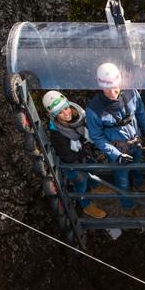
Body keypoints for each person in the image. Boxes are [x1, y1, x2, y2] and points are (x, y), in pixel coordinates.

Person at [85, 62, 145, 211]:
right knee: (122, 179)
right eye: (107, 88)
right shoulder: (94, 109)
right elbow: (97, 136)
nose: (112, 92)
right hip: (118, 149)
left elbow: (140, 112)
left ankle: (139, 183)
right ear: (101, 87)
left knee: (138, 165)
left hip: (135, 142)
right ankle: (127, 206)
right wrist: (116, 155)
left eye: (114, 87)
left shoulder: (131, 92)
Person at [42, 90, 110, 219]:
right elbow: (67, 157)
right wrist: (84, 150)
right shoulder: (57, 133)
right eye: (60, 113)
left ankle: (95, 187)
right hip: (72, 164)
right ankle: (86, 205)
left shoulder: (79, 115)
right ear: (54, 116)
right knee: (81, 183)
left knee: (91, 173)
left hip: (83, 155)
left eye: (66, 108)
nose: (66, 113)